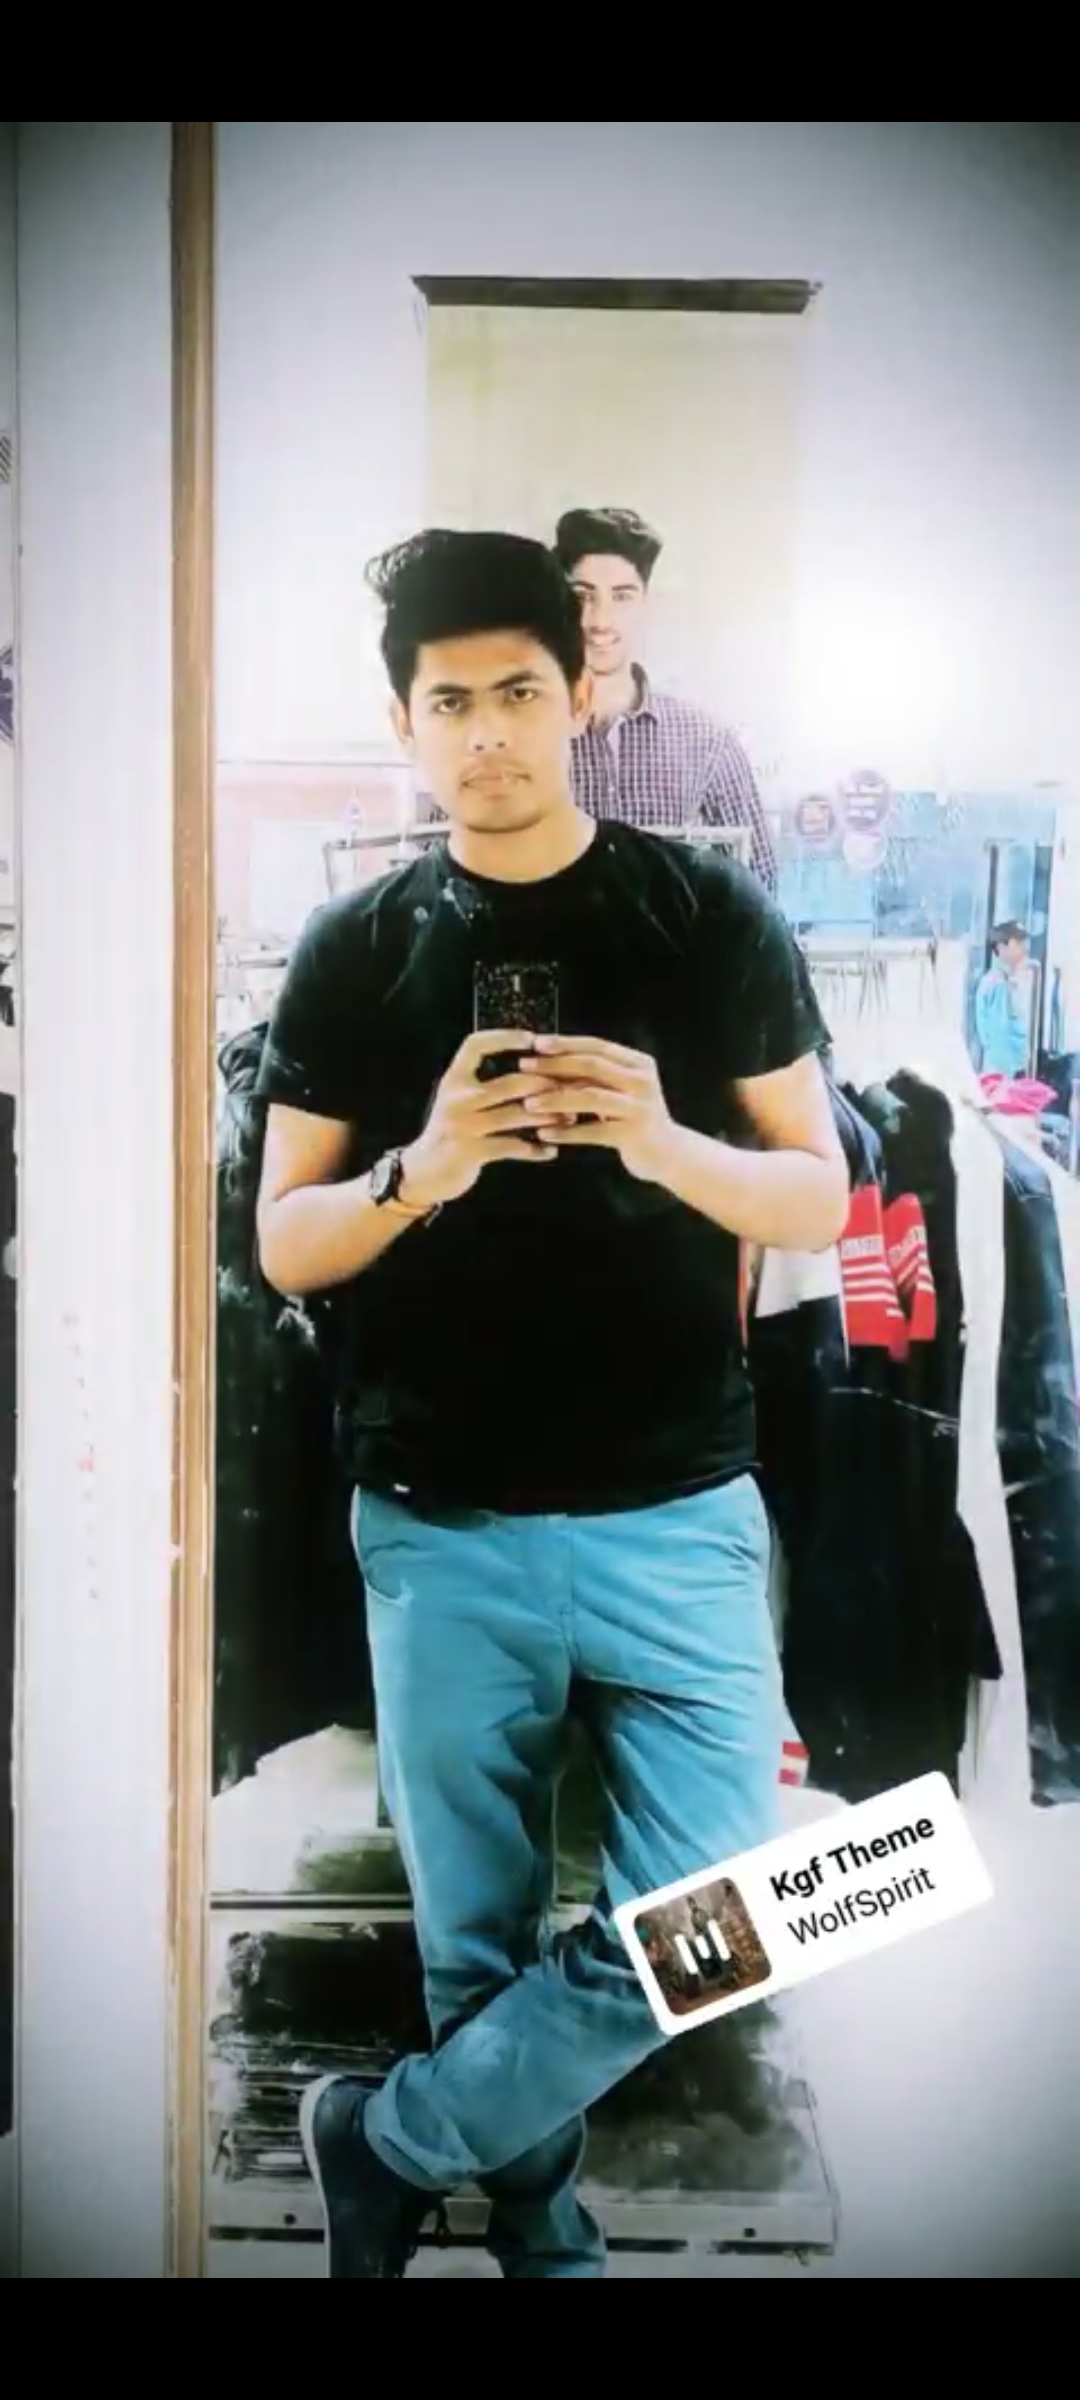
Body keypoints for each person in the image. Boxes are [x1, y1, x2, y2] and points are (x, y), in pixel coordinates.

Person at [255, 528, 848, 2279]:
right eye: (449, 703)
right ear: (403, 723)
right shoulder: (354, 947)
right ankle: (543, 2244)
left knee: (739, 1912)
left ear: (579, 694)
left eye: (518, 691)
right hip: (439, 1517)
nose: (488, 733)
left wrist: (665, 1143)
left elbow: (818, 1194)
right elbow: (286, 1240)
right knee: (476, 1949)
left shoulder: (706, 916)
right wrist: (420, 1173)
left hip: (678, 1505)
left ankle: (386, 2139)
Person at [553, 505, 779, 890]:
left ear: (645, 604)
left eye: (622, 596)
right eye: (582, 595)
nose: (600, 620)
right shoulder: (522, 735)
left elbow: (759, 884)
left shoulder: (707, 743)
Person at [975, 921, 1031, 1080]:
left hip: (1005, 1072)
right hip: (1006, 1073)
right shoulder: (998, 985)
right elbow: (1000, 1034)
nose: (1024, 949)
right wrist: (1008, 1078)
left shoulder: (1001, 981)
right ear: (1001, 948)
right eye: (1017, 943)